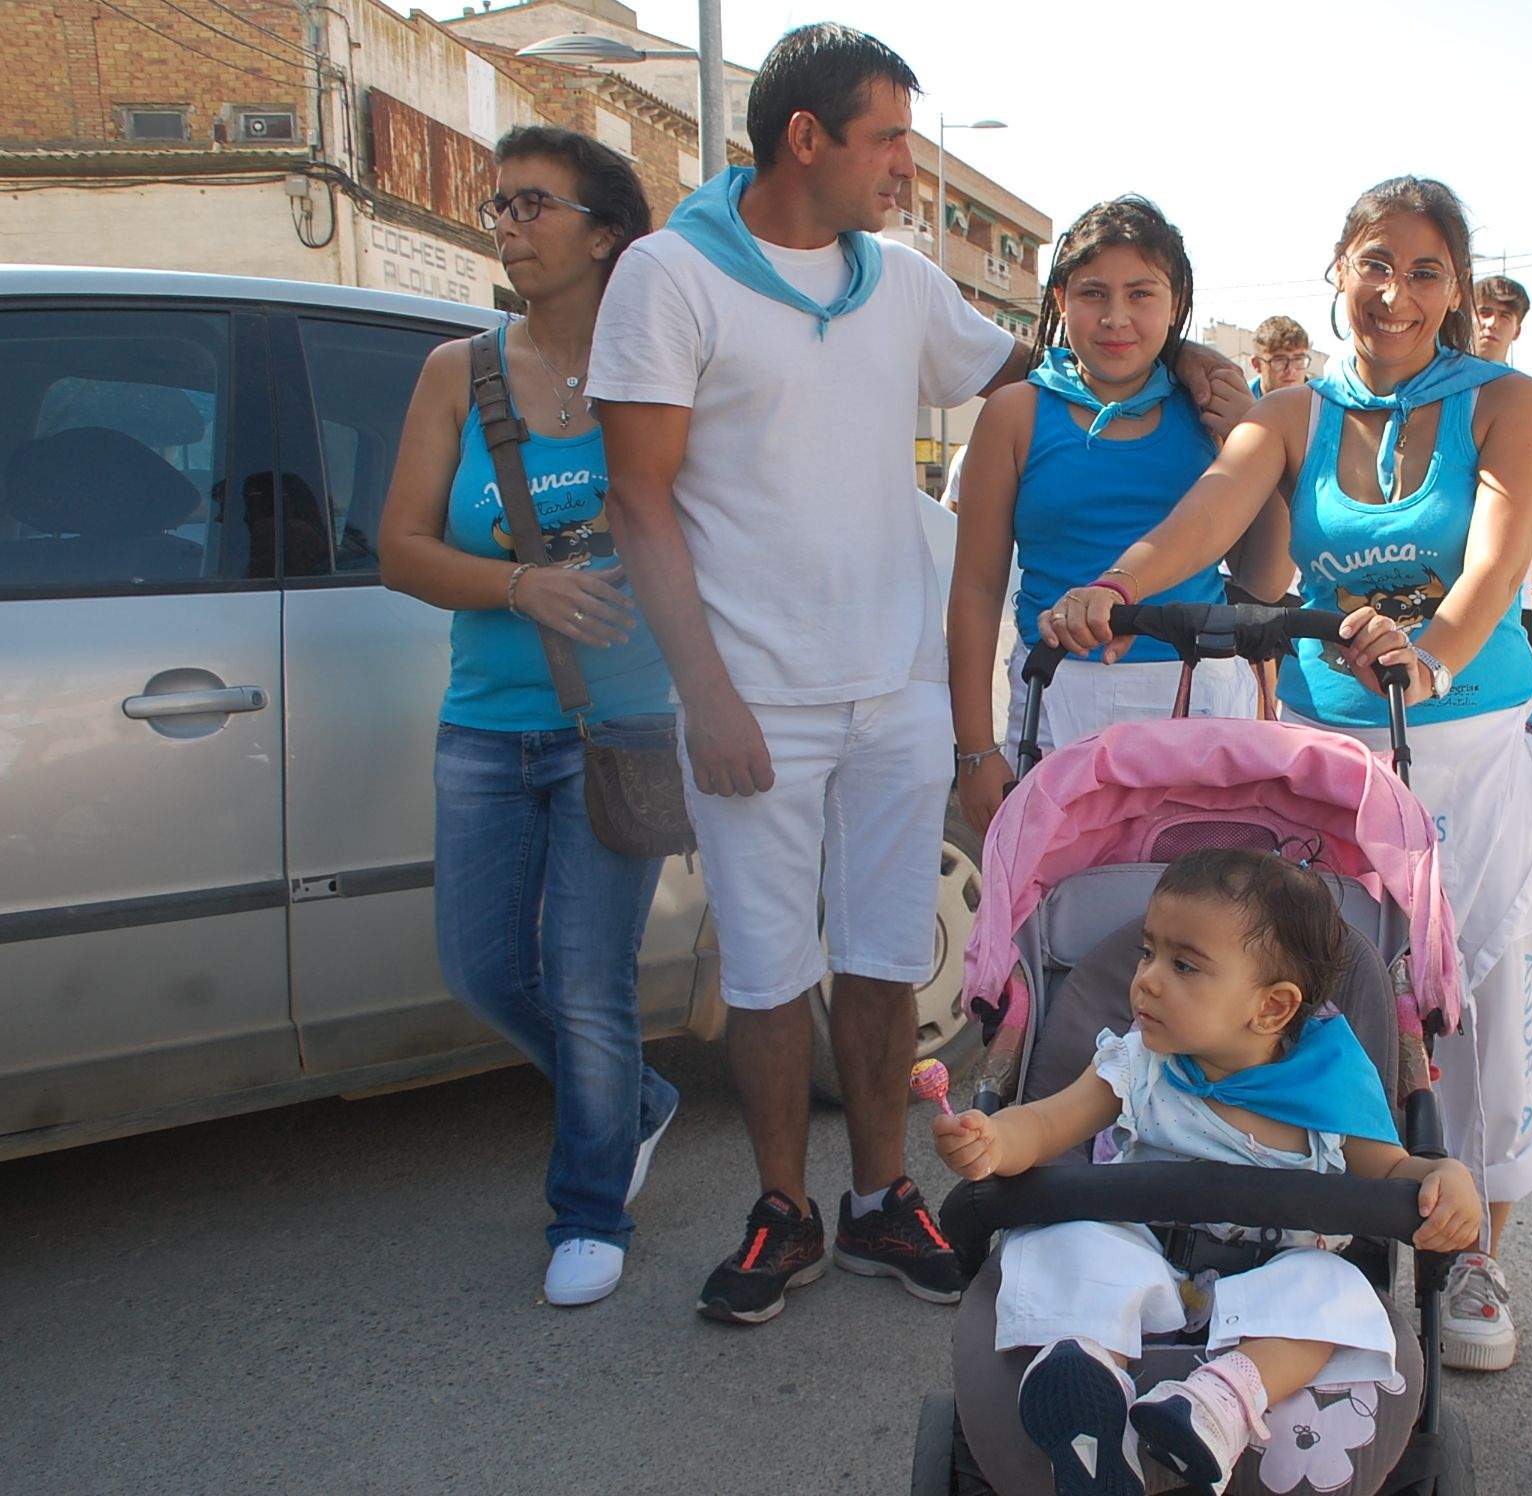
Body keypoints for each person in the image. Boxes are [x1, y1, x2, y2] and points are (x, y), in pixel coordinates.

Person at [586, 23, 1249, 1327]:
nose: (906, 162)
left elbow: (1049, 367)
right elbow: (638, 500)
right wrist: (705, 694)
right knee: (767, 971)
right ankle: (783, 1208)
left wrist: (1181, 359)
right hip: (752, 698)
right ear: (807, 138)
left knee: (888, 956)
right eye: (888, 138)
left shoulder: (895, 280)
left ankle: (881, 1195)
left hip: (893, 688)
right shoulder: (670, 277)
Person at [1041, 176, 1532, 1376]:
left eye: (1426, 271)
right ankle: (1312, 1209)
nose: (1397, 292)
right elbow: (1206, 516)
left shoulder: (1507, 401)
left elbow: (1496, 562)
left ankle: (1478, 1246)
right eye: (1376, 263)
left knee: (1480, 1001)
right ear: (1338, 270)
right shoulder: (1293, 411)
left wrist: (1432, 653)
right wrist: (1116, 589)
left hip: (1473, 731)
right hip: (1335, 752)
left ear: (1457, 288)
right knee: (1347, 990)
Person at [377, 126, 678, 1310]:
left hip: (624, 725)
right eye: (498, 205)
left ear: (606, 235)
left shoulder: (658, 371)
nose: (506, 224)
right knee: (483, 967)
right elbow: (401, 548)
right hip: (487, 723)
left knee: (589, 977)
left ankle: (590, 1207)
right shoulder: (459, 371)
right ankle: (635, 1100)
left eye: (532, 204)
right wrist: (521, 584)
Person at [934, 849, 1482, 1494]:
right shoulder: (1140, 1063)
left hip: (1274, 1280)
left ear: (1271, 1008)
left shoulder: (1332, 1083)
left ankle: (1217, 1406)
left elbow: (1389, 1171)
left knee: (1338, 1291)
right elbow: (1046, 1124)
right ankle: (1089, 1385)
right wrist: (994, 1139)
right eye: (1148, 954)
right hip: (1142, 1258)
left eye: (1183, 965)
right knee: (1065, 1241)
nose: (1146, 980)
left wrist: (1443, 1177)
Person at [948, 196, 1258, 832]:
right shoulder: (1014, 413)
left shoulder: (1214, 410)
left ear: (1176, 303)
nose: (1117, 318)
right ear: (1061, 300)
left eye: (1141, 294)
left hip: (1201, 695)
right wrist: (974, 750)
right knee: (1059, 896)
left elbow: (1266, 575)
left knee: (1201, 893)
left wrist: (1250, 438)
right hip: (1057, 695)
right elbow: (976, 589)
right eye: (1094, 293)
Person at [1470, 273, 1532, 664]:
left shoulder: (1531, 398)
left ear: (1518, 330)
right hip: (1435, 580)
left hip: (1508, 590)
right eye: (1484, 312)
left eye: (1504, 316)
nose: (1491, 323)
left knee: (1518, 696)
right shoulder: (1434, 387)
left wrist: (1505, 489)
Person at [1248, 314, 1314, 396]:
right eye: (1280, 361)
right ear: (1257, 364)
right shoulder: (1240, 400)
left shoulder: (1322, 400)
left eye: (1298, 360)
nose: (1290, 370)